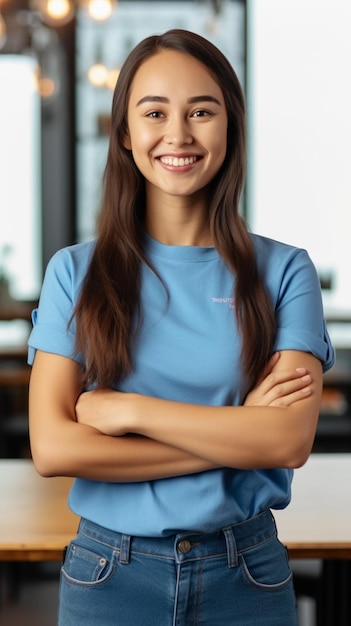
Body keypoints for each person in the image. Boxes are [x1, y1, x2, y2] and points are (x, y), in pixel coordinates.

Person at [28, 29, 334, 625]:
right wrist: (237, 433)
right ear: (125, 133)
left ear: (231, 126)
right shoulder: (74, 272)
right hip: (108, 573)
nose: (179, 134)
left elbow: (286, 442)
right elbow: (54, 446)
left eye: (202, 111)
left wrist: (128, 411)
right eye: (154, 112)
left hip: (244, 572)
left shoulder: (285, 271)